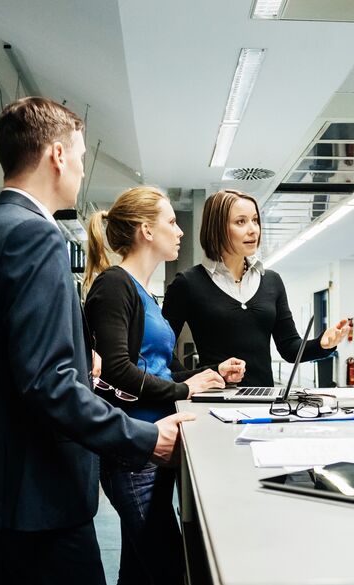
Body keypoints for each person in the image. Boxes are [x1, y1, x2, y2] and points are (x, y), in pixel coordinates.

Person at [0, 97, 195, 585]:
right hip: (37, 493)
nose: (81, 169)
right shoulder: (35, 237)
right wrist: (146, 438)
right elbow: (47, 384)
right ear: (57, 154)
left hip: (1, 490)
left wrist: (83, 360)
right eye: (79, 155)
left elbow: (10, 359)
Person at [83, 186, 245, 584]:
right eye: (172, 222)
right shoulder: (114, 286)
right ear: (146, 231)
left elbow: (156, 370)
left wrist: (207, 374)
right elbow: (117, 370)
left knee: (139, 568)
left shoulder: (145, 294)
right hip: (133, 449)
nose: (180, 231)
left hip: (157, 442)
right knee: (168, 566)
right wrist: (183, 390)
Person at [162, 188, 350, 388]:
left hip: (263, 399)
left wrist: (323, 343)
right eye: (241, 222)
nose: (253, 229)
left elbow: (290, 349)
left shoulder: (271, 280)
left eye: (255, 220)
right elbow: (161, 351)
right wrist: (191, 380)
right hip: (213, 400)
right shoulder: (188, 283)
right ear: (217, 228)